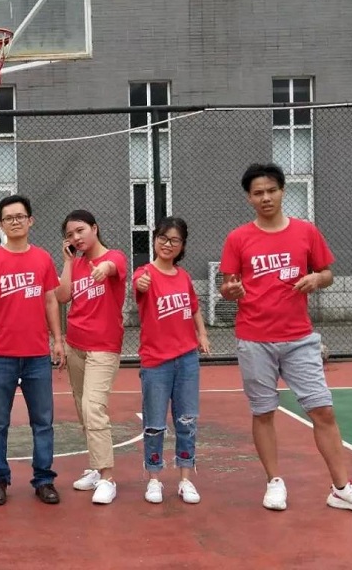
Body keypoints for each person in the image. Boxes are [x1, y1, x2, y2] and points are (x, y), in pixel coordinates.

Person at [220, 162, 352, 515]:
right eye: (258, 193)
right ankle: (274, 481)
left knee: (323, 410)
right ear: (249, 198)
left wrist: (317, 279)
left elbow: (327, 273)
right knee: (263, 412)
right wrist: (230, 291)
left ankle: (341, 488)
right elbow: (227, 285)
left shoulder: (306, 232)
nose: (266, 197)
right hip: (254, 338)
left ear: (282, 191)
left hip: (299, 338)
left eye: (271, 190)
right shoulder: (238, 238)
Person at [0, 194, 65, 506]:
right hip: (1, 354)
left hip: (37, 355)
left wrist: (58, 339)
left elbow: (51, 300)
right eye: (9, 218)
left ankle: (44, 479)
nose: (15, 222)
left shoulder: (43, 258)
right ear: (1, 225)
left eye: (20, 216)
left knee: (43, 422)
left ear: (30, 220)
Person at [133, 216, 210, 505]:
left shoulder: (184, 276)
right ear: (155, 240)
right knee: (154, 424)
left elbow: (194, 308)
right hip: (156, 362)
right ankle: (154, 478)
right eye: (163, 238)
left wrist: (202, 334)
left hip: (187, 359)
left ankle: (185, 478)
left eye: (174, 240)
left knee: (187, 420)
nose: (168, 244)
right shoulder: (144, 273)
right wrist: (141, 284)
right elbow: (138, 286)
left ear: (182, 246)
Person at [54, 210, 127, 505]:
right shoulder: (77, 264)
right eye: (70, 235)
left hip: (103, 348)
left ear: (94, 228)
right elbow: (62, 296)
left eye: (80, 230)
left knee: (93, 408)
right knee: (83, 410)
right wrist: (68, 262)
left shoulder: (115, 256)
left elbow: (113, 266)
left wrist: (104, 269)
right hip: (76, 346)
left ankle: (108, 478)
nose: (76, 237)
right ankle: (97, 469)